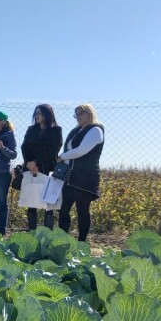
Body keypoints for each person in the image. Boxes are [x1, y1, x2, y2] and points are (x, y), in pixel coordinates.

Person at [58, 104, 105, 242]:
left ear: (89, 113)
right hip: (70, 176)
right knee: (63, 208)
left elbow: (81, 150)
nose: (77, 117)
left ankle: (82, 242)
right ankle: (62, 240)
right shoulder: (76, 131)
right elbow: (69, 150)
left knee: (82, 210)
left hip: (86, 176)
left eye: (80, 113)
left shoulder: (96, 130)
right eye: (75, 114)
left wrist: (62, 157)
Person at [20, 104, 63, 230]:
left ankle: (47, 234)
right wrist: (29, 162)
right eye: (36, 113)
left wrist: (36, 163)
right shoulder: (31, 129)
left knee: (48, 204)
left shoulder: (56, 130)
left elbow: (53, 150)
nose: (37, 115)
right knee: (31, 202)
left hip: (48, 170)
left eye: (40, 113)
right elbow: (24, 147)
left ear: (48, 114)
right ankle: (32, 232)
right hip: (31, 169)